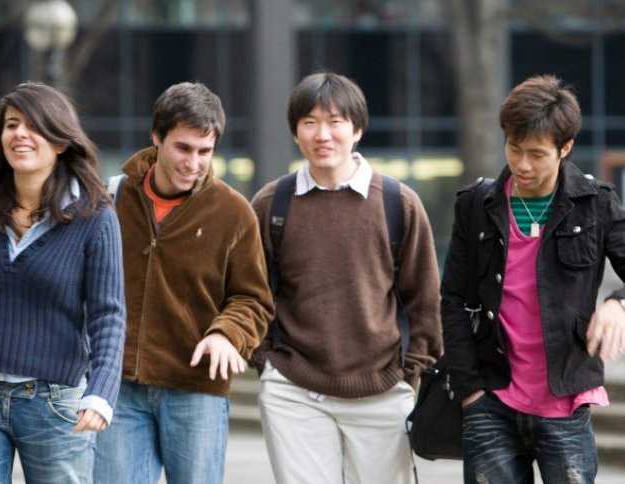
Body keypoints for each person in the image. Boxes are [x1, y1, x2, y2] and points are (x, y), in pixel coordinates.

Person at [0, 81, 126, 483]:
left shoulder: (95, 216)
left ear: (60, 141)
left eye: (34, 126)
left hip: (56, 404)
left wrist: (101, 392)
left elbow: (108, 314)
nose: (20, 134)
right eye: (11, 125)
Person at [250, 71, 442, 484]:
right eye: (310, 122)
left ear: (356, 130)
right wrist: (267, 362)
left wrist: (408, 373)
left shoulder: (397, 203)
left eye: (336, 121)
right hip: (294, 389)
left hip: (383, 390)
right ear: (296, 133)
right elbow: (250, 294)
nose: (323, 134)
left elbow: (423, 299)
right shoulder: (271, 204)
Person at [441, 74, 625, 483]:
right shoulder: (476, 205)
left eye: (537, 154)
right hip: (491, 398)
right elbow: (452, 297)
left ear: (565, 148)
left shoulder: (596, 204)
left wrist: (617, 303)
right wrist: (470, 390)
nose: (522, 164)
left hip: (565, 401)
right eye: (514, 149)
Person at [93, 81, 274, 484]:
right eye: (183, 148)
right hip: (117, 386)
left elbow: (253, 298)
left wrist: (227, 335)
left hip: (197, 390)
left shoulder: (234, 213)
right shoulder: (110, 200)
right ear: (156, 137)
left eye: (205, 152)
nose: (194, 163)